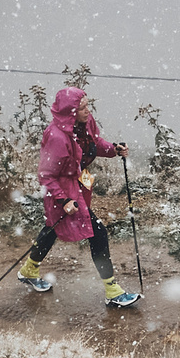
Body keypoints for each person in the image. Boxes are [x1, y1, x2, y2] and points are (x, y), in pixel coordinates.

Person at [19, 85, 139, 307]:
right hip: (61, 193)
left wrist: (114, 149)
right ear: (70, 112)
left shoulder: (85, 123)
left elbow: (95, 143)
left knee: (53, 229)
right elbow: (46, 176)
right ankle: (112, 291)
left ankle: (29, 269)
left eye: (87, 105)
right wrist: (63, 200)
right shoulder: (56, 137)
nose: (87, 110)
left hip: (78, 187)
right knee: (98, 232)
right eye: (82, 108)